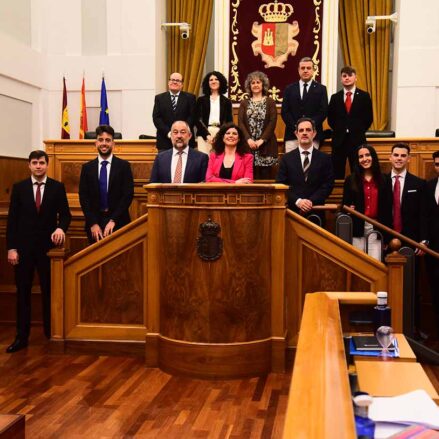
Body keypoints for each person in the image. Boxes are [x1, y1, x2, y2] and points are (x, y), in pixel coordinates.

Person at [6, 150, 71, 352]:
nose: (38, 166)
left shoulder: (57, 188)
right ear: (29, 165)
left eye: (41, 162)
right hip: (23, 251)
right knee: (23, 293)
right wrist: (12, 248)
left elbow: (66, 215)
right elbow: (12, 221)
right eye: (34, 163)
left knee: (49, 292)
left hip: (48, 251)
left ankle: (51, 333)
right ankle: (21, 337)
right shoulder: (19, 188)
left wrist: (61, 227)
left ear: (47, 164)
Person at [79, 125, 134, 243]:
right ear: (96, 143)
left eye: (108, 140)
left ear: (113, 144)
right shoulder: (87, 168)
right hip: (94, 226)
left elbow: (127, 195)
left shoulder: (124, 166)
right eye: (101, 140)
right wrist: (93, 223)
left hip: (119, 223)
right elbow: (84, 198)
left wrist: (113, 220)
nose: (104, 143)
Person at [276, 117, 334, 219]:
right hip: (292, 212)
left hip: (316, 211)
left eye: (308, 130)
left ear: (314, 133)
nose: (304, 133)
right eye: (301, 130)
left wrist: (311, 201)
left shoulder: (325, 158)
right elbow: (280, 184)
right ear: (296, 134)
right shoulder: (286, 159)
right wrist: (298, 201)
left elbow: (328, 184)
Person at [328, 66, 373, 179]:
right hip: (339, 141)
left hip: (357, 139)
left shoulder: (364, 96)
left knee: (358, 171)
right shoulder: (335, 97)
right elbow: (331, 119)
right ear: (341, 79)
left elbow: (368, 118)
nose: (347, 78)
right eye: (344, 76)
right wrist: (341, 129)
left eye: (350, 75)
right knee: (337, 172)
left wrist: (357, 129)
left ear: (355, 78)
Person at [342, 144, 383, 260]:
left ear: (373, 157)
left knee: (375, 263)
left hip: (376, 228)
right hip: (357, 227)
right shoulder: (350, 180)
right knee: (358, 263)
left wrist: (387, 237)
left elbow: (387, 209)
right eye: (361, 156)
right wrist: (349, 209)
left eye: (367, 155)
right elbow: (344, 206)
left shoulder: (384, 180)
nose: (364, 159)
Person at [281, 57, 328, 152]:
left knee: (311, 165)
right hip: (292, 135)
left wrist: (309, 127)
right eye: (303, 68)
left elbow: (323, 111)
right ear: (298, 70)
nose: (305, 71)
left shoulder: (321, 89)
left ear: (313, 70)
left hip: (313, 135)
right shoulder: (289, 89)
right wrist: (297, 127)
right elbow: (285, 112)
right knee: (291, 165)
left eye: (308, 68)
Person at [238, 71, 278, 180]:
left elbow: (272, 122)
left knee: (265, 178)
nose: (255, 85)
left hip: (266, 145)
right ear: (249, 86)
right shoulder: (244, 103)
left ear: (263, 84)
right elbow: (240, 122)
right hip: (248, 145)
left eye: (258, 82)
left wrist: (262, 140)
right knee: (249, 177)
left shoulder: (270, 102)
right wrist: (248, 139)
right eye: (253, 83)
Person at [152, 72, 196, 150]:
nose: (174, 82)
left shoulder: (190, 98)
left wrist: (182, 133)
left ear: (182, 84)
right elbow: (157, 118)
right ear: (168, 82)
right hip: (165, 140)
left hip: (185, 141)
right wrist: (170, 133)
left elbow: (192, 117)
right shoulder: (159, 98)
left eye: (178, 80)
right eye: (172, 80)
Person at [195, 71, 233, 154]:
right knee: (204, 161)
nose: (213, 81)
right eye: (211, 80)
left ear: (221, 82)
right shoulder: (201, 100)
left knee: (218, 161)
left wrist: (219, 135)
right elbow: (197, 120)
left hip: (221, 134)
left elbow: (229, 122)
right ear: (207, 83)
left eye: (216, 79)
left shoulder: (227, 101)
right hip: (204, 134)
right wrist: (207, 135)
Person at [424, 151, 439, 336]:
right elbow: (425, 216)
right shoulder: (429, 186)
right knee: (435, 291)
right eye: (437, 164)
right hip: (433, 249)